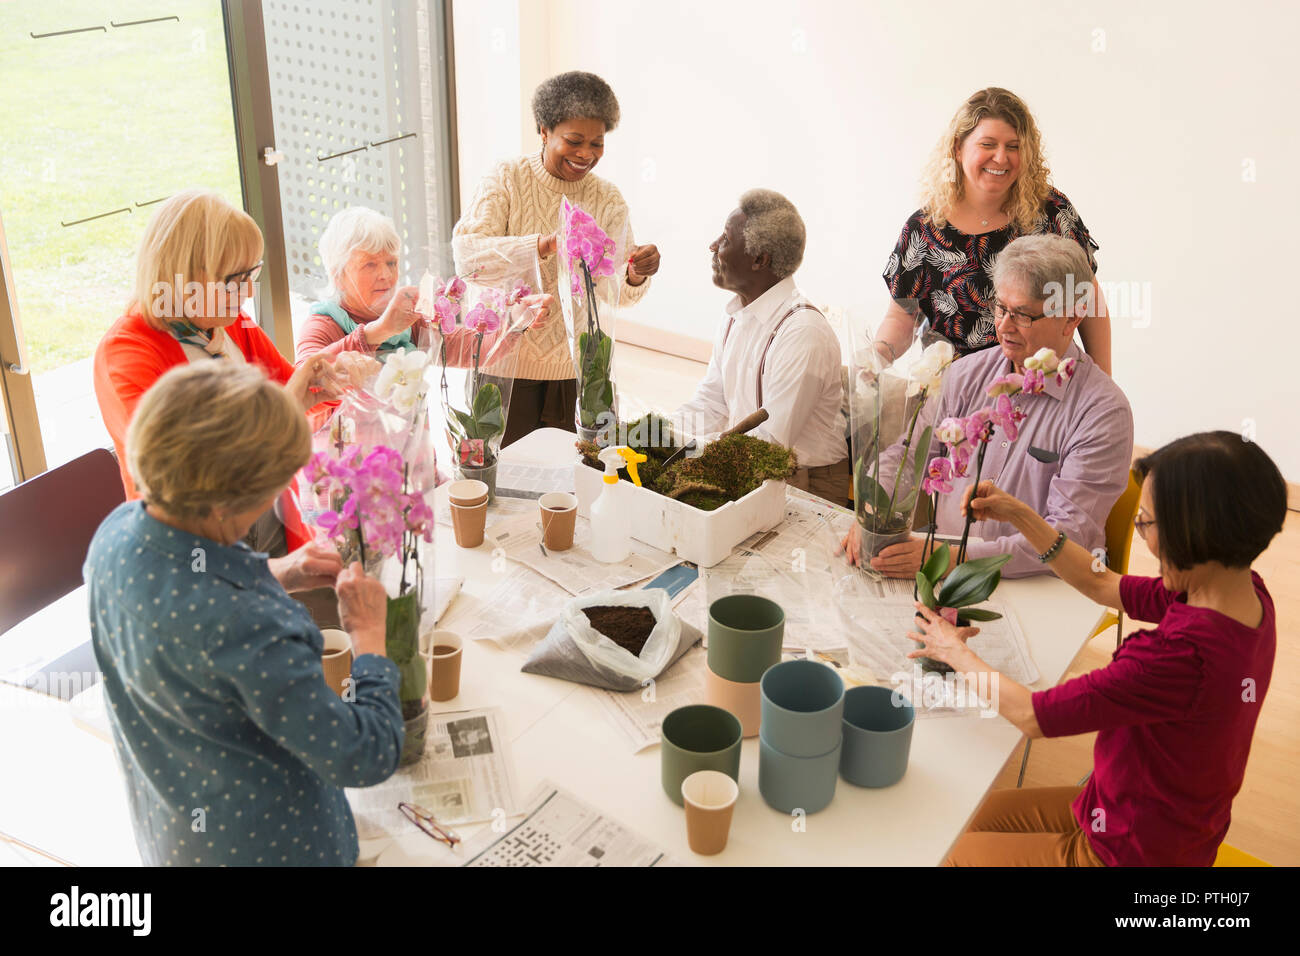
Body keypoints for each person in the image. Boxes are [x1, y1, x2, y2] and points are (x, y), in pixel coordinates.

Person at [913, 431, 1285, 866]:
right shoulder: (1239, 592)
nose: (1142, 534)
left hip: (1128, 852)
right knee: (963, 820)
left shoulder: (1178, 656)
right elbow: (1100, 581)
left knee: (949, 855)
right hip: (1140, 816)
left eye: (1145, 522)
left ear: (1192, 535)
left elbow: (1035, 715)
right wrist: (1018, 513)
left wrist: (952, 650)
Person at [87, 362, 405, 866]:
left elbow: (189, 607)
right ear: (227, 503)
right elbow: (363, 754)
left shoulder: (116, 534)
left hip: (175, 835)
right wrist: (368, 639)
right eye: (275, 487)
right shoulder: (251, 627)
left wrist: (279, 571)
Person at [842, 234, 1132, 578]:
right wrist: (871, 511)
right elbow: (907, 457)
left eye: (1023, 315)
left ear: (1071, 319)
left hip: (1045, 583)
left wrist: (954, 558)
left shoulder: (1102, 412)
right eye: (1001, 308)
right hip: (944, 567)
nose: (1004, 327)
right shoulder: (964, 374)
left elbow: (1069, 538)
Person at [93, 189, 347, 574]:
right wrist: (288, 408)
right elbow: (185, 471)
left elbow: (300, 399)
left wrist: (330, 380)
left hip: (273, 522)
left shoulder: (231, 324)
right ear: (185, 275)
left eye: (253, 274)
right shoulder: (126, 352)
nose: (247, 292)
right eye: (236, 279)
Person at [452, 70, 660, 446]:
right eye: (575, 140)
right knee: (501, 481)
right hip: (504, 364)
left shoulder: (608, 198)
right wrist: (543, 245)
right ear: (544, 130)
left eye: (597, 143)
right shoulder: (507, 178)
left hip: (578, 371)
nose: (586, 154)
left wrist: (635, 274)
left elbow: (621, 295)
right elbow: (468, 258)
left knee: (578, 485)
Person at [873, 88, 1111, 374]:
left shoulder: (1051, 213)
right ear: (958, 148)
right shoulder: (923, 229)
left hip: (1042, 393)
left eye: (1013, 146)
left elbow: (1087, 300)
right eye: (988, 144)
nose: (1001, 158)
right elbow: (902, 317)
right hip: (956, 401)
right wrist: (876, 357)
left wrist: (1102, 381)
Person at [674, 190, 848, 504]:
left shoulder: (804, 333)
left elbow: (769, 444)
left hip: (803, 480)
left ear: (759, 260)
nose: (713, 247)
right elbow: (713, 401)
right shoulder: (735, 314)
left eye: (725, 239)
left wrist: (693, 451)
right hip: (750, 463)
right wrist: (659, 436)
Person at [294, 206, 424, 365]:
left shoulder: (406, 317)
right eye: (370, 265)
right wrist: (376, 333)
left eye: (391, 263)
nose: (386, 275)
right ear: (338, 277)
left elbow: (458, 345)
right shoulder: (322, 326)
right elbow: (303, 378)